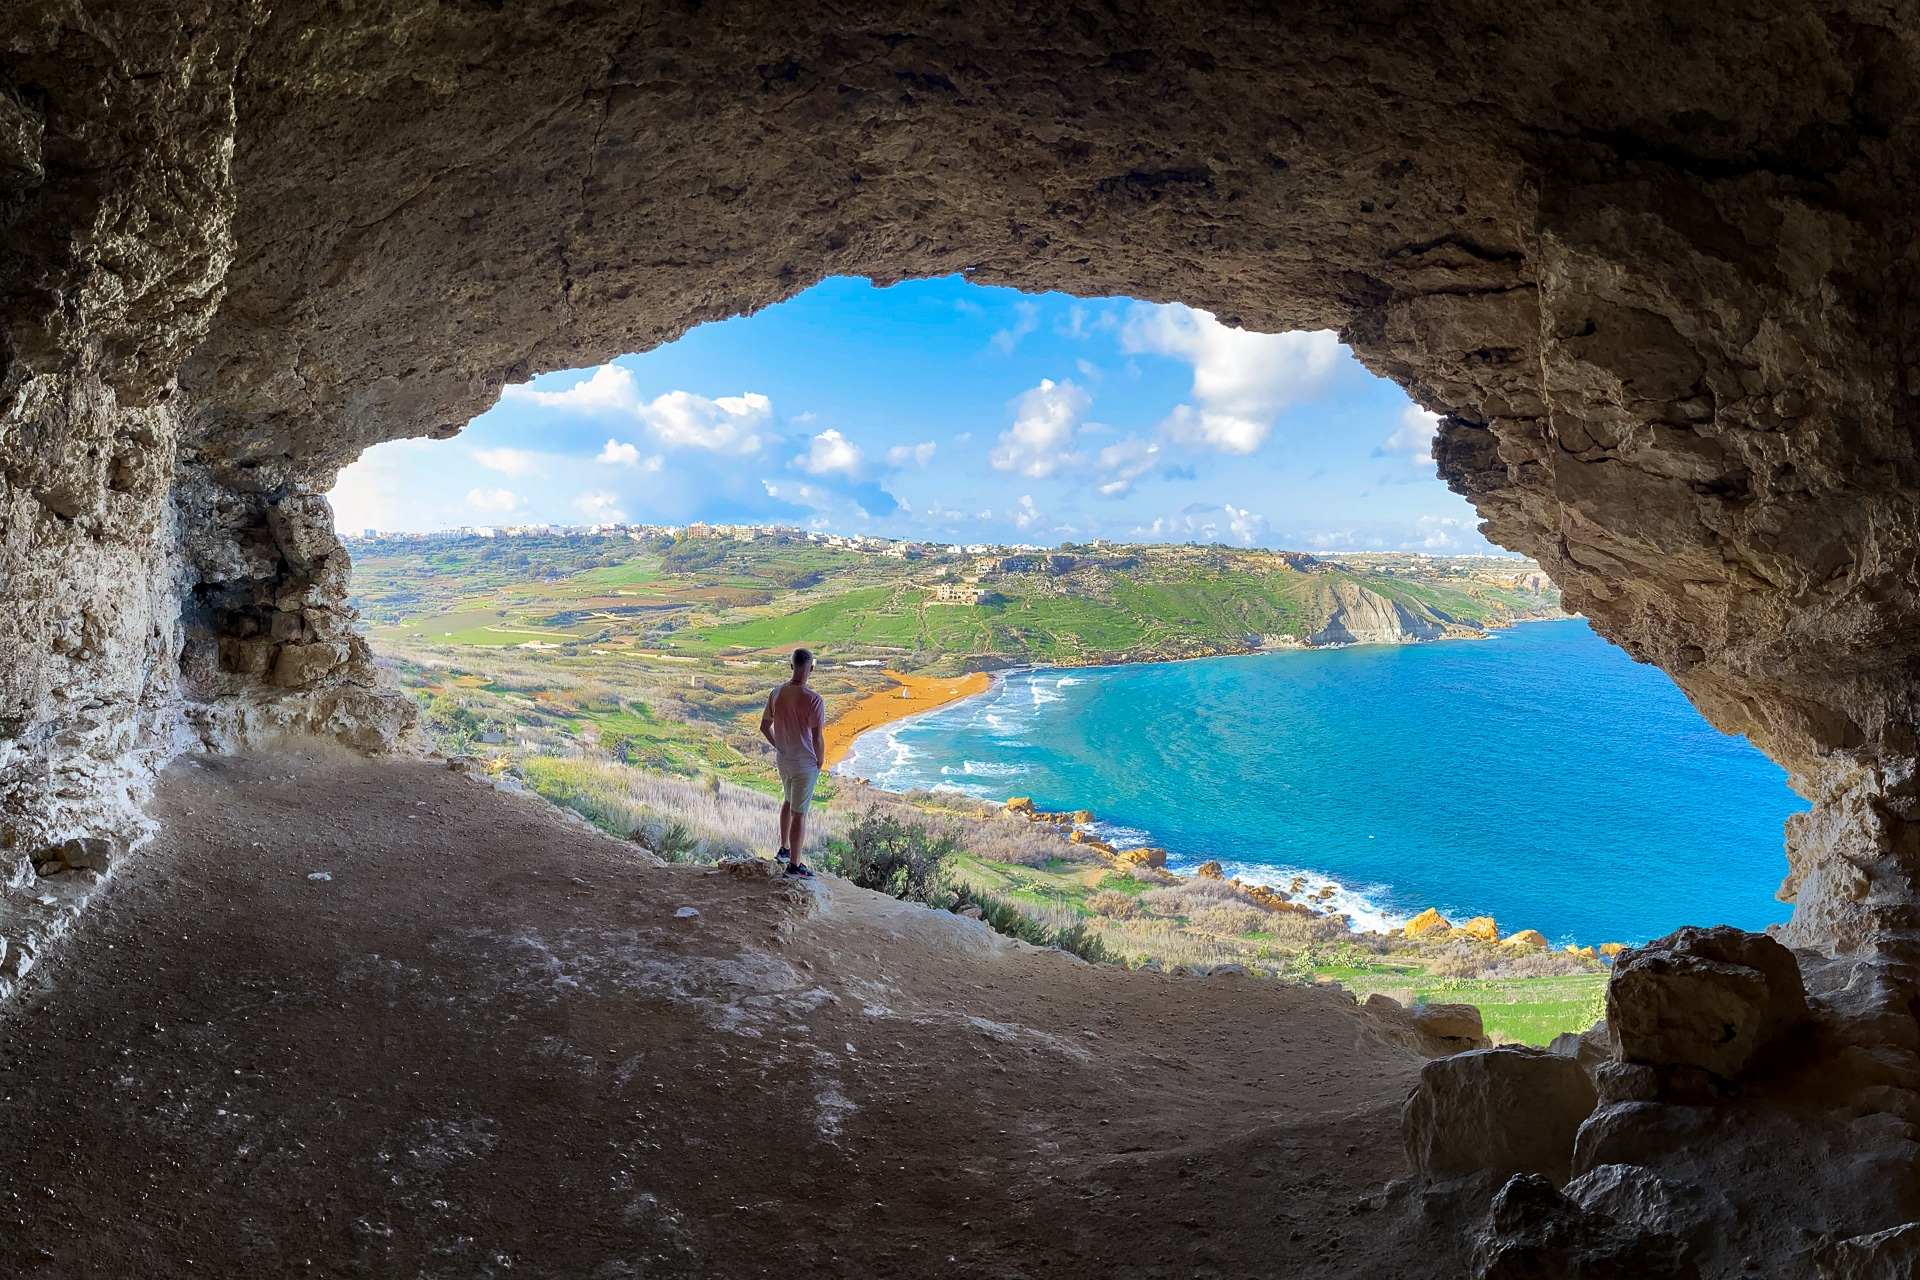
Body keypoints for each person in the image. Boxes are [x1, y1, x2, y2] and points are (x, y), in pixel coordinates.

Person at [759, 647, 826, 876]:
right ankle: (795, 866)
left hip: (784, 760)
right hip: (804, 763)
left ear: (791, 667)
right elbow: (817, 737)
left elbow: (764, 726)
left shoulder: (777, 692)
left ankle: (784, 849)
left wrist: (779, 745)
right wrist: (820, 760)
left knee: (788, 801)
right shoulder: (814, 700)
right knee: (800, 812)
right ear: (811, 669)